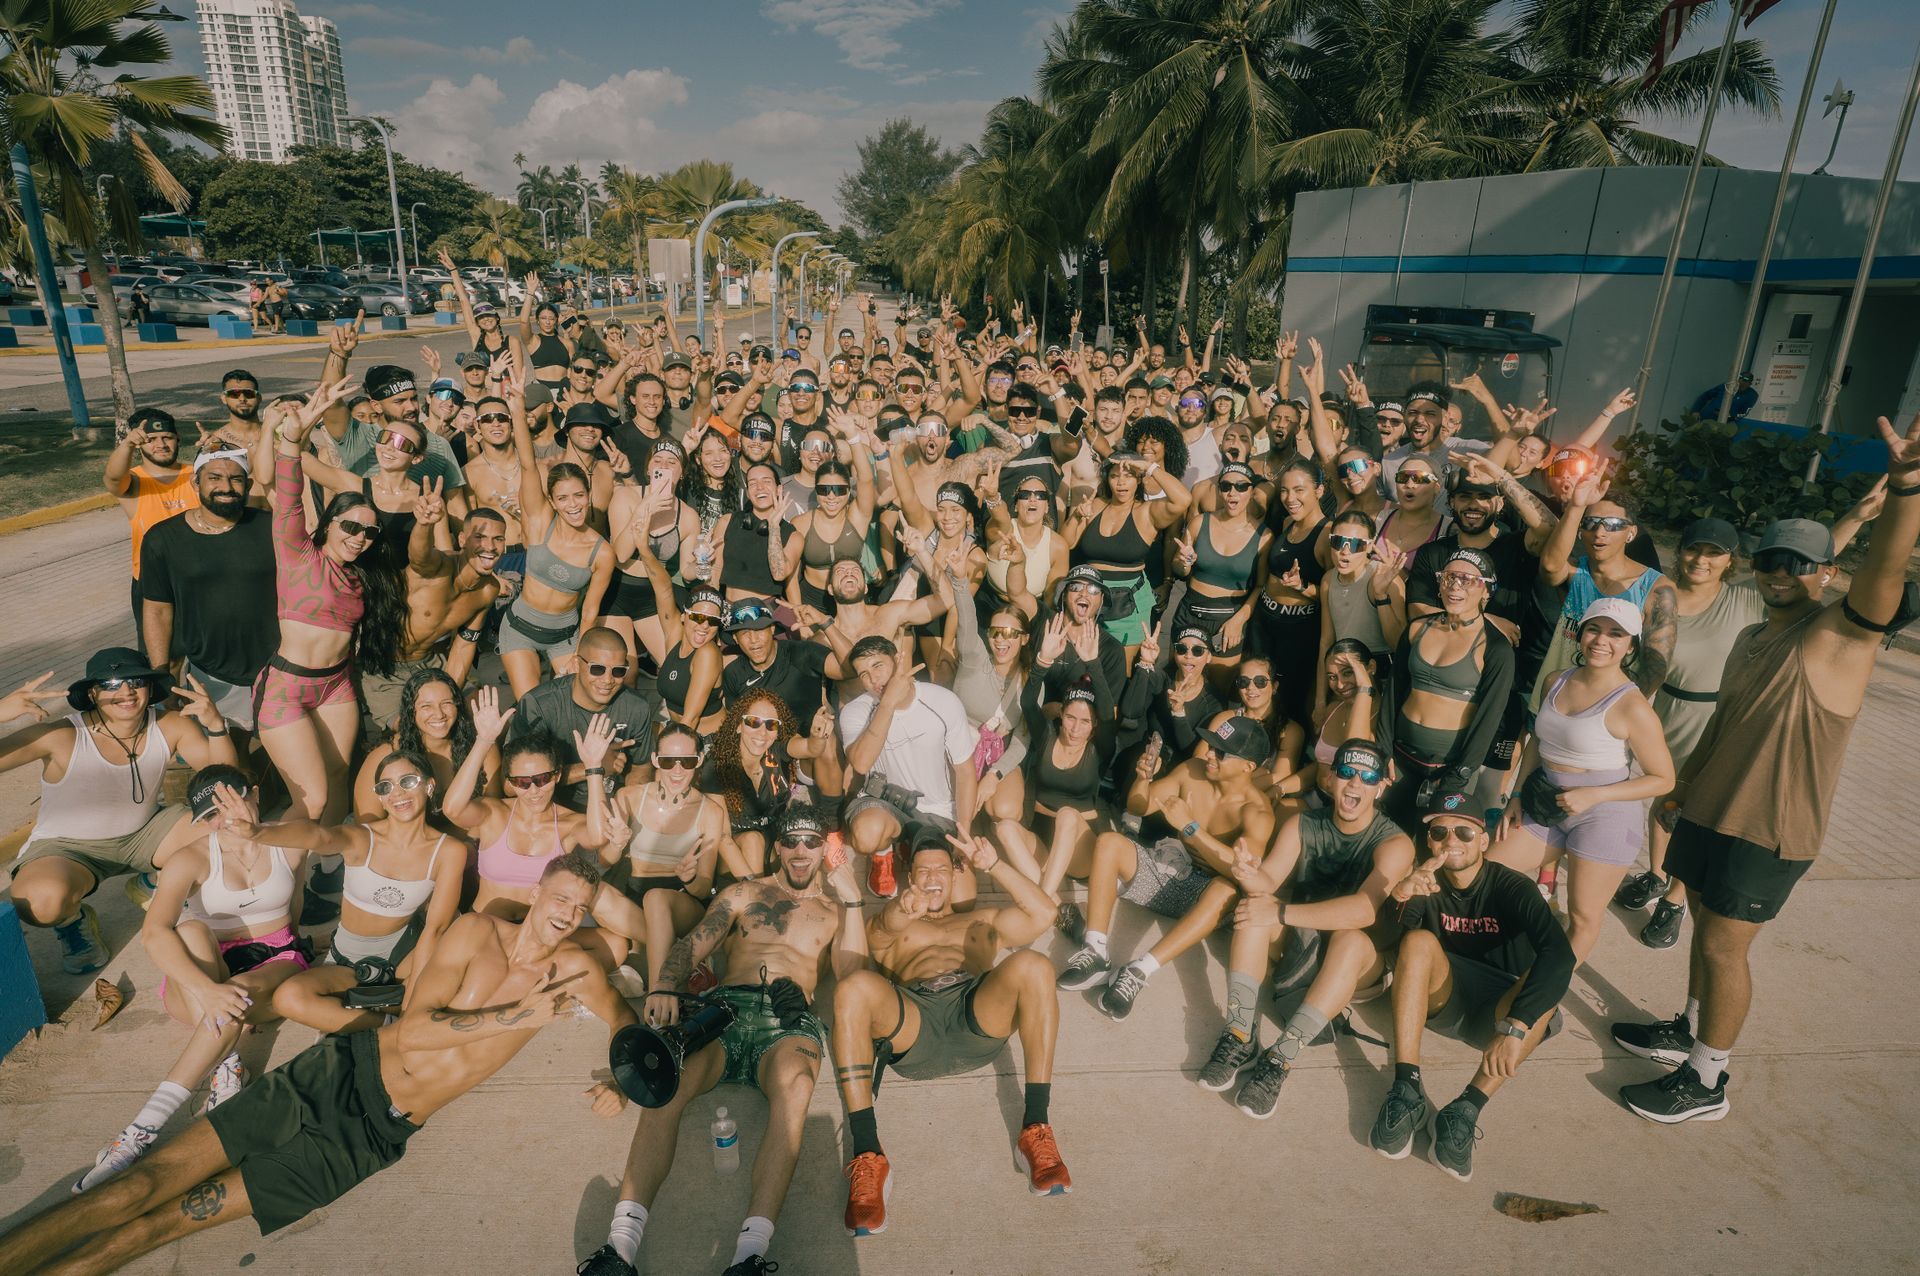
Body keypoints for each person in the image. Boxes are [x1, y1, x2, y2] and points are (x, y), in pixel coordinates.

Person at [0, 852, 634, 1274]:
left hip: (371, 1137)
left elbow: (623, 1019)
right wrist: (518, 1017)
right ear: (537, 891)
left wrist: (624, 1077)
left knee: (152, 1230)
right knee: (135, 1190)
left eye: (581, 908)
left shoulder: (576, 970)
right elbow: (413, 1032)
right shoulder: (474, 933)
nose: (568, 916)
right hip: (332, 1076)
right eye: (561, 899)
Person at [1613, 413, 1920, 1124]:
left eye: (1801, 565)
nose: (1783, 573)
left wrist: (1905, 489)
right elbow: (1722, 723)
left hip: (1770, 829)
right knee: (1700, 929)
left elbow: (1883, 571)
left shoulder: (1842, 636)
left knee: (1726, 947)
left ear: (1826, 574)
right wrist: (1681, 789)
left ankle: (1709, 1080)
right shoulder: (1753, 634)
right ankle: (1688, 1030)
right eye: (1773, 561)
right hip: (1710, 808)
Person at [578, 805, 867, 1276]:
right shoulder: (743, 894)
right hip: (725, 1011)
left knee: (795, 1091)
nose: (800, 851)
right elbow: (692, 944)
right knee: (666, 1087)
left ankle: (749, 1255)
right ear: (776, 846)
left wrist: (853, 900)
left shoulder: (835, 911)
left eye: (812, 842)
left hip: (787, 1021)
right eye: (790, 841)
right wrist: (665, 986)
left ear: (824, 850)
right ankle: (620, 1247)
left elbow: (853, 974)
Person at [70, 769, 313, 1194]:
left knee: (235, 996)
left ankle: (138, 1133)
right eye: (213, 813)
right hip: (202, 977)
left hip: (276, 959)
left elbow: (295, 902)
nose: (226, 818)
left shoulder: (289, 839)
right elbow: (154, 933)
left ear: (255, 794)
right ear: (201, 820)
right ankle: (226, 1062)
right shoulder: (191, 858)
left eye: (234, 802)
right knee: (190, 932)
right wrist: (207, 989)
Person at [831, 828, 1072, 1238]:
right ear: (910, 878)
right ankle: (867, 1153)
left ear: (956, 875)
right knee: (851, 990)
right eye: (923, 870)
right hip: (915, 1024)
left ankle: (1036, 1126)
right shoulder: (892, 920)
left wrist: (994, 865)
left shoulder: (982, 921)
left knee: (1034, 965)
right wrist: (901, 910)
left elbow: (1043, 914)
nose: (932, 877)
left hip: (975, 1015)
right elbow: (882, 933)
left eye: (942, 868)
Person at [1201, 740, 1414, 1118]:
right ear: (1331, 778)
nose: (1354, 785)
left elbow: (1364, 910)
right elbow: (1268, 880)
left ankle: (1279, 1060)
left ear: (1381, 786)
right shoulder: (1303, 823)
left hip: (1362, 966)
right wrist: (1250, 874)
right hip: (1305, 941)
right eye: (1347, 772)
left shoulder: (1395, 843)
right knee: (1253, 910)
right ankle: (1239, 1036)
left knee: (1346, 939)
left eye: (1367, 777)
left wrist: (1280, 913)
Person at [1367, 793, 1573, 1182]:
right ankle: (1406, 1089)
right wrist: (1401, 894)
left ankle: (1466, 1108)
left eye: (1464, 831)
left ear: (1483, 841)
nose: (1451, 841)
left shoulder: (1511, 887)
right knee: (1416, 943)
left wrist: (1517, 1025)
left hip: (1502, 1014)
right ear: (1429, 841)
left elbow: (1560, 956)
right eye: (1440, 832)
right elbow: (1383, 943)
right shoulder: (1423, 883)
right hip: (1446, 999)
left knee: (1546, 982)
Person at [2, 648, 237, 973]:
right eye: (110, 683)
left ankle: (155, 883)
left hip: (147, 833)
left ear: (150, 688)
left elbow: (226, 782)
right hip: (67, 848)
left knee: (229, 824)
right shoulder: (62, 735)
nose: (125, 692)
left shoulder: (170, 724)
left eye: (135, 681)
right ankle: (73, 921)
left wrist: (216, 727)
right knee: (40, 904)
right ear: (92, 693)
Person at [1490, 598, 1675, 964]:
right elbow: (1538, 743)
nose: (1601, 640)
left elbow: (1664, 779)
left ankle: (1542, 999)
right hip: (1545, 803)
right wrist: (1517, 794)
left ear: (1630, 646)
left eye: (1616, 634)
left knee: (1582, 916)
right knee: (1488, 873)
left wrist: (1594, 795)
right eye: (1594, 629)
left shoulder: (1632, 706)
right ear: (1580, 632)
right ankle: (1508, 952)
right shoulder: (1555, 681)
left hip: (1603, 816)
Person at [258, 378, 405, 824]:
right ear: (329, 523)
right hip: (288, 688)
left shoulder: (363, 578)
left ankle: (326, 869)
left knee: (339, 779)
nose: (359, 539)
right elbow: (286, 496)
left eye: (369, 533)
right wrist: (291, 437)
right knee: (311, 799)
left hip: (337, 686)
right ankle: (285, 884)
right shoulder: (297, 553)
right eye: (350, 527)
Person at [269, 748, 465, 1034]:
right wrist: (258, 832)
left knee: (455, 961)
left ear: (429, 785)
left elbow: (434, 930)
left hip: (401, 959)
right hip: (346, 962)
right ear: (381, 799)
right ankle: (387, 1023)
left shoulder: (449, 850)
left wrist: (414, 1000)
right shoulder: (362, 836)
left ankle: (387, 1011)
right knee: (287, 998)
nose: (397, 793)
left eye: (407, 781)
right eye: (385, 787)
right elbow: (318, 836)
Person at [139, 448, 278, 755]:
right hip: (212, 672)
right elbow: (158, 610)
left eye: (236, 479)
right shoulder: (163, 538)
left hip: (279, 668)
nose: (226, 487)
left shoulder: (271, 527)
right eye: (214, 477)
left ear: (248, 485)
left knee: (284, 764)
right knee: (229, 759)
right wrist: (163, 675)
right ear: (195, 482)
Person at [1380, 547, 1516, 831]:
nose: (1455, 586)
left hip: (1449, 770)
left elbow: (1488, 721)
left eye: (1467, 579)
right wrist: (1383, 750)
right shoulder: (1417, 628)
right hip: (1401, 758)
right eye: (1449, 577)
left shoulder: (1495, 648)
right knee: (1387, 837)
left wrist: (1460, 775)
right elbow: (1393, 692)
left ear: (1487, 591)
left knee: (1435, 846)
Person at [591, 722, 732, 992]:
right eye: (668, 761)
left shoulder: (711, 811)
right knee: (590, 889)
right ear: (656, 760)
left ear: (699, 760)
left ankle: (659, 992)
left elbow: (703, 888)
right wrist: (617, 845)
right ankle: (684, 955)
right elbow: (605, 862)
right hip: (636, 897)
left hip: (682, 901)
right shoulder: (629, 797)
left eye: (687, 761)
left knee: (655, 897)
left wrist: (689, 878)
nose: (677, 770)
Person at [500, 371, 614, 699]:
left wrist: (580, 656)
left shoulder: (602, 553)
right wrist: (518, 409)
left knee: (570, 707)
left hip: (565, 638)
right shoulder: (538, 524)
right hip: (519, 629)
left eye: (579, 496)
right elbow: (526, 464)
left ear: (589, 495)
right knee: (530, 707)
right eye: (563, 498)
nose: (573, 505)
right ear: (551, 501)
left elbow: (590, 612)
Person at [838, 638, 978, 898]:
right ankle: (883, 855)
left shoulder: (943, 701)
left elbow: (966, 772)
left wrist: (965, 832)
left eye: (878, 666)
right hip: (885, 803)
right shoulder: (855, 711)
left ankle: (908, 846)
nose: (873, 679)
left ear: (898, 660)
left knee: (962, 900)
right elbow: (860, 763)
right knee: (867, 836)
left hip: (939, 810)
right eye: (864, 674)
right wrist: (888, 703)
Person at [509, 626, 659, 813]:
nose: (607, 680)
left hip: (611, 806)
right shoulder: (539, 705)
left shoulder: (636, 706)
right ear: (577, 663)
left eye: (618, 671)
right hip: (552, 810)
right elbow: (511, 786)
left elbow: (640, 767)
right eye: (597, 669)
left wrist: (627, 813)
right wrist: (593, 767)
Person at [352, 668, 499, 827]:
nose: (439, 714)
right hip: (409, 845)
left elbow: (492, 812)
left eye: (446, 703)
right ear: (411, 711)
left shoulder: (481, 745)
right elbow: (367, 826)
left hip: (470, 840)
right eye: (426, 706)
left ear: (458, 706)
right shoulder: (387, 754)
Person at [104, 408, 198, 641]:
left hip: (201, 575)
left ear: (178, 439)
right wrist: (126, 445)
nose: (161, 444)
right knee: (165, 660)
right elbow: (114, 478)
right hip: (154, 583)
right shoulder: (134, 481)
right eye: (151, 439)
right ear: (140, 445)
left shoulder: (198, 473)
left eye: (167, 437)